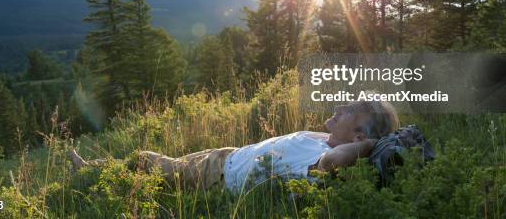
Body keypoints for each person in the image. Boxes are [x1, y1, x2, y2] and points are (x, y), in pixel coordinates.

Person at [68, 100, 399, 193]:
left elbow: (334, 164)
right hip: (226, 156)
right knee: (159, 164)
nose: (337, 110)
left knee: (146, 161)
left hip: (219, 175)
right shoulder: (323, 139)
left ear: (359, 137)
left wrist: (372, 143)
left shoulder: (325, 157)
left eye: (346, 112)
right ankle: (102, 172)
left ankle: (92, 173)